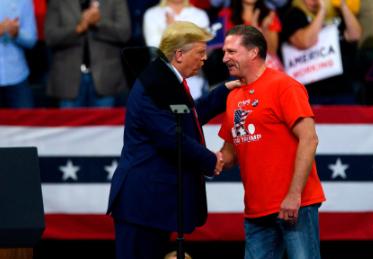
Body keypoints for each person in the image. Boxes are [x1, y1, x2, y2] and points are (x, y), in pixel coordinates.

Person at [107, 21, 238, 259]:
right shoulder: (153, 85)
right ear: (179, 54)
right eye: (200, 53)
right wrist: (211, 160)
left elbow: (187, 117)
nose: (204, 59)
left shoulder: (165, 79)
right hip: (141, 203)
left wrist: (224, 91)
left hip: (153, 204)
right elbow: (170, 137)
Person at [219, 25, 325, 259]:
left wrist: (294, 195)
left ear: (253, 52)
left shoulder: (285, 86)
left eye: (231, 52)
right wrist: (194, 157)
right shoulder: (233, 97)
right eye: (224, 52)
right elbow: (228, 155)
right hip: (256, 210)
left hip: (295, 204)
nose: (224, 58)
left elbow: (309, 139)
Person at [45, 0, 131, 108]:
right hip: (68, 79)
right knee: (70, 124)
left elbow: (124, 33)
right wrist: (77, 29)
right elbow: (50, 37)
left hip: (105, 78)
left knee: (103, 125)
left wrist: (99, 22)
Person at [281, 0, 362, 105]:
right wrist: (322, 11)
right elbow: (305, 41)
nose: (313, 1)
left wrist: (343, 5)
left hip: (342, 90)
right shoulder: (294, 14)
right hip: (310, 94)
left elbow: (355, 35)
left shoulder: (337, 14)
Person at [0, 0, 37, 108]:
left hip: (18, 78)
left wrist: (17, 34)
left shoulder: (24, 1)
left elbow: (31, 40)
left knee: (26, 124)